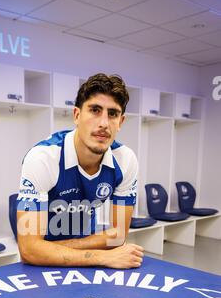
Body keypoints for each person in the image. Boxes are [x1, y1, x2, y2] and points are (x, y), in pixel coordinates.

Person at [16, 73, 144, 269]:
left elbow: (118, 236)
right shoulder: (43, 158)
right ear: (77, 115)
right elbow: (29, 251)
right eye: (95, 110)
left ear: (121, 122)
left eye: (112, 114)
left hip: (82, 260)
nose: (103, 123)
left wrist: (49, 249)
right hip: (42, 265)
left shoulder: (125, 160)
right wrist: (104, 257)